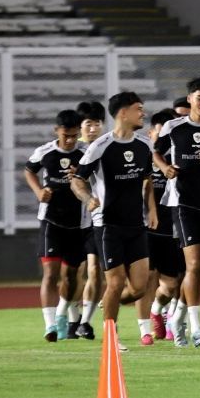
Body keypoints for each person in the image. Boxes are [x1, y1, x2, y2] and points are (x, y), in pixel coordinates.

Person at [70, 92, 157, 351]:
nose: (143, 113)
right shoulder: (101, 146)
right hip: (108, 225)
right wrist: (87, 198)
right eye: (138, 109)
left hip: (136, 225)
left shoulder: (144, 146)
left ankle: (109, 303)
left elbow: (148, 180)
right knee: (116, 282)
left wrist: (151, 210)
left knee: (139, 289)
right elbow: (77, 179)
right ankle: (111, 336)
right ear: (122, 113)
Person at [154, 77, 200, 348]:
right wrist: (165, 167)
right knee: (192, 265)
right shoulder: (174, 126)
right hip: (184, 204)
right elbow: (154, 152)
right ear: (190, 98)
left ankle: (178, 316)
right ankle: (197, 327)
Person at [24, 109, 86, 341]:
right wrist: (39, 191)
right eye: (66, 135)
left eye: (74, 135)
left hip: (78, 223)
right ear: (56, 131)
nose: (70, 140)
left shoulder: (86, 153)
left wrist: (83, 179)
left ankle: (63, 315)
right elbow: (29, 170)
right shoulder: (45, 152)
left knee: (70, 276)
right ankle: (50, 325)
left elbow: (97, 176)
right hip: (51, 220)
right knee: (50, 273)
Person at [137, 109, 183, 345]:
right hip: (144, 225)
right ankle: (145, 328)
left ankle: (157, 310)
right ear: (152, 132)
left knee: (171, 284)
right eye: (160, 130)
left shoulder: (178, 156)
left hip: (171, 226)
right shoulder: (141, 154)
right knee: (147, 278)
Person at [74, 100, 106, 338]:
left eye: (97, 123)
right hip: (73, 221)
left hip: (97, 220)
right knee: (73, 273)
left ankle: (85, 321)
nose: (93, 129)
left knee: (95, 271)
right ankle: (70, 318)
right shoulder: (72, 151)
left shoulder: (107, 147)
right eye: (88, 124)